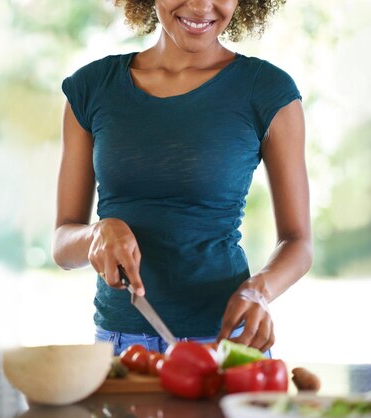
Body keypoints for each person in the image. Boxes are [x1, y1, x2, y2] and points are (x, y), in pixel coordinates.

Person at [53, 0, 312, 357]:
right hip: (120, 348)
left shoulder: (268, 92)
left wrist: (259, 290)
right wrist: (96, 233)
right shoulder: (91, 88)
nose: (202, 5)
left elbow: (298, 242)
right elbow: (63, 246)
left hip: (224, 343)